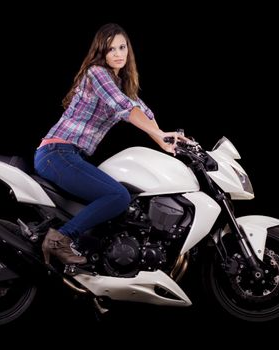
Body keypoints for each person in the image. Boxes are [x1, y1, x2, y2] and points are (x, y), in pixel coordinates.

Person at [34, 23, 188, 266]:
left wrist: (166, 142)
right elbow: (126, 109)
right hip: (57, 152)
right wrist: (160, 134)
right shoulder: (97, 73)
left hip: (68, 155)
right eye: (111, 49)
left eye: (122, 47)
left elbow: (143, 112)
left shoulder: (121, 84)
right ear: (101, 53)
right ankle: (59, 239)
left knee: (119, 204)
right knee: (118, 195)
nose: (118, 53)